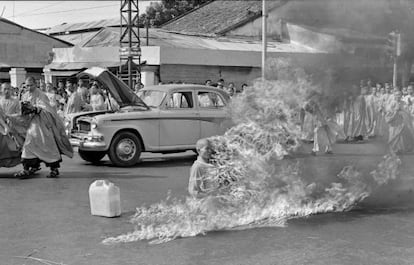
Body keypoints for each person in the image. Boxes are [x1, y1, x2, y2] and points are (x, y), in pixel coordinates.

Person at [14, 76, 73, 179]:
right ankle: (27, 168)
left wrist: (35, 109)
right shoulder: (25, 95)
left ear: (35, 85)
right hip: (31, 125)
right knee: (28, 145)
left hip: (42, 125)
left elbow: (47, 109)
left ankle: (54, 169)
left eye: (31, 85)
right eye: (27, 85)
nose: (28, 87)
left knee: (47, 146)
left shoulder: (41, 95)